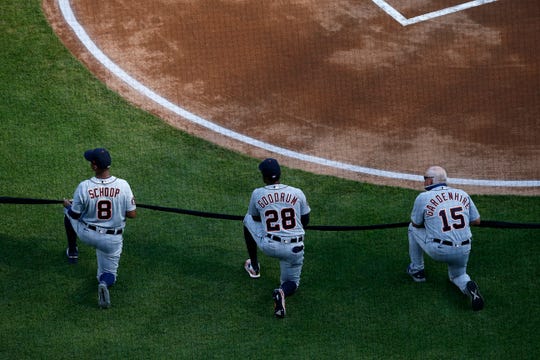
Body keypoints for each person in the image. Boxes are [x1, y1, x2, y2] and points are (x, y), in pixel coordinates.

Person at [63, 148, 136, 309]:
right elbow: (132, 214)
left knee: (67, 213)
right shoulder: (123, 185)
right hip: (112, 239)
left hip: (87, 234)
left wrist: (68, 205)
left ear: (95, 166)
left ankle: (73, 251)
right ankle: (104, 283)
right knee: (109, 274)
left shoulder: (84, 186)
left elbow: (75, 215)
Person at [407, 165, 484, 311]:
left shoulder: (423, 197)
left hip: (439, 250)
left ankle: (417, 271)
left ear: (430, 181)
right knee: (458, 275)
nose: (424, 182)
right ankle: (469, 287)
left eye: (425, 179)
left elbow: (416, 224)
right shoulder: (462, 193)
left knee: (411, 228)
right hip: (464, 249)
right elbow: (477, 221)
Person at [243, 158, 311, 318]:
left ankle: (254, 267)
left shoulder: (257, 193)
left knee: (247, 220)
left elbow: (256, 219)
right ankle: (282, 291)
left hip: (270, 245)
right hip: (295, 248)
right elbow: (305, 220)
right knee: (292, 283)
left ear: (264, 177)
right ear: (280, 174)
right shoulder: (297, 192)